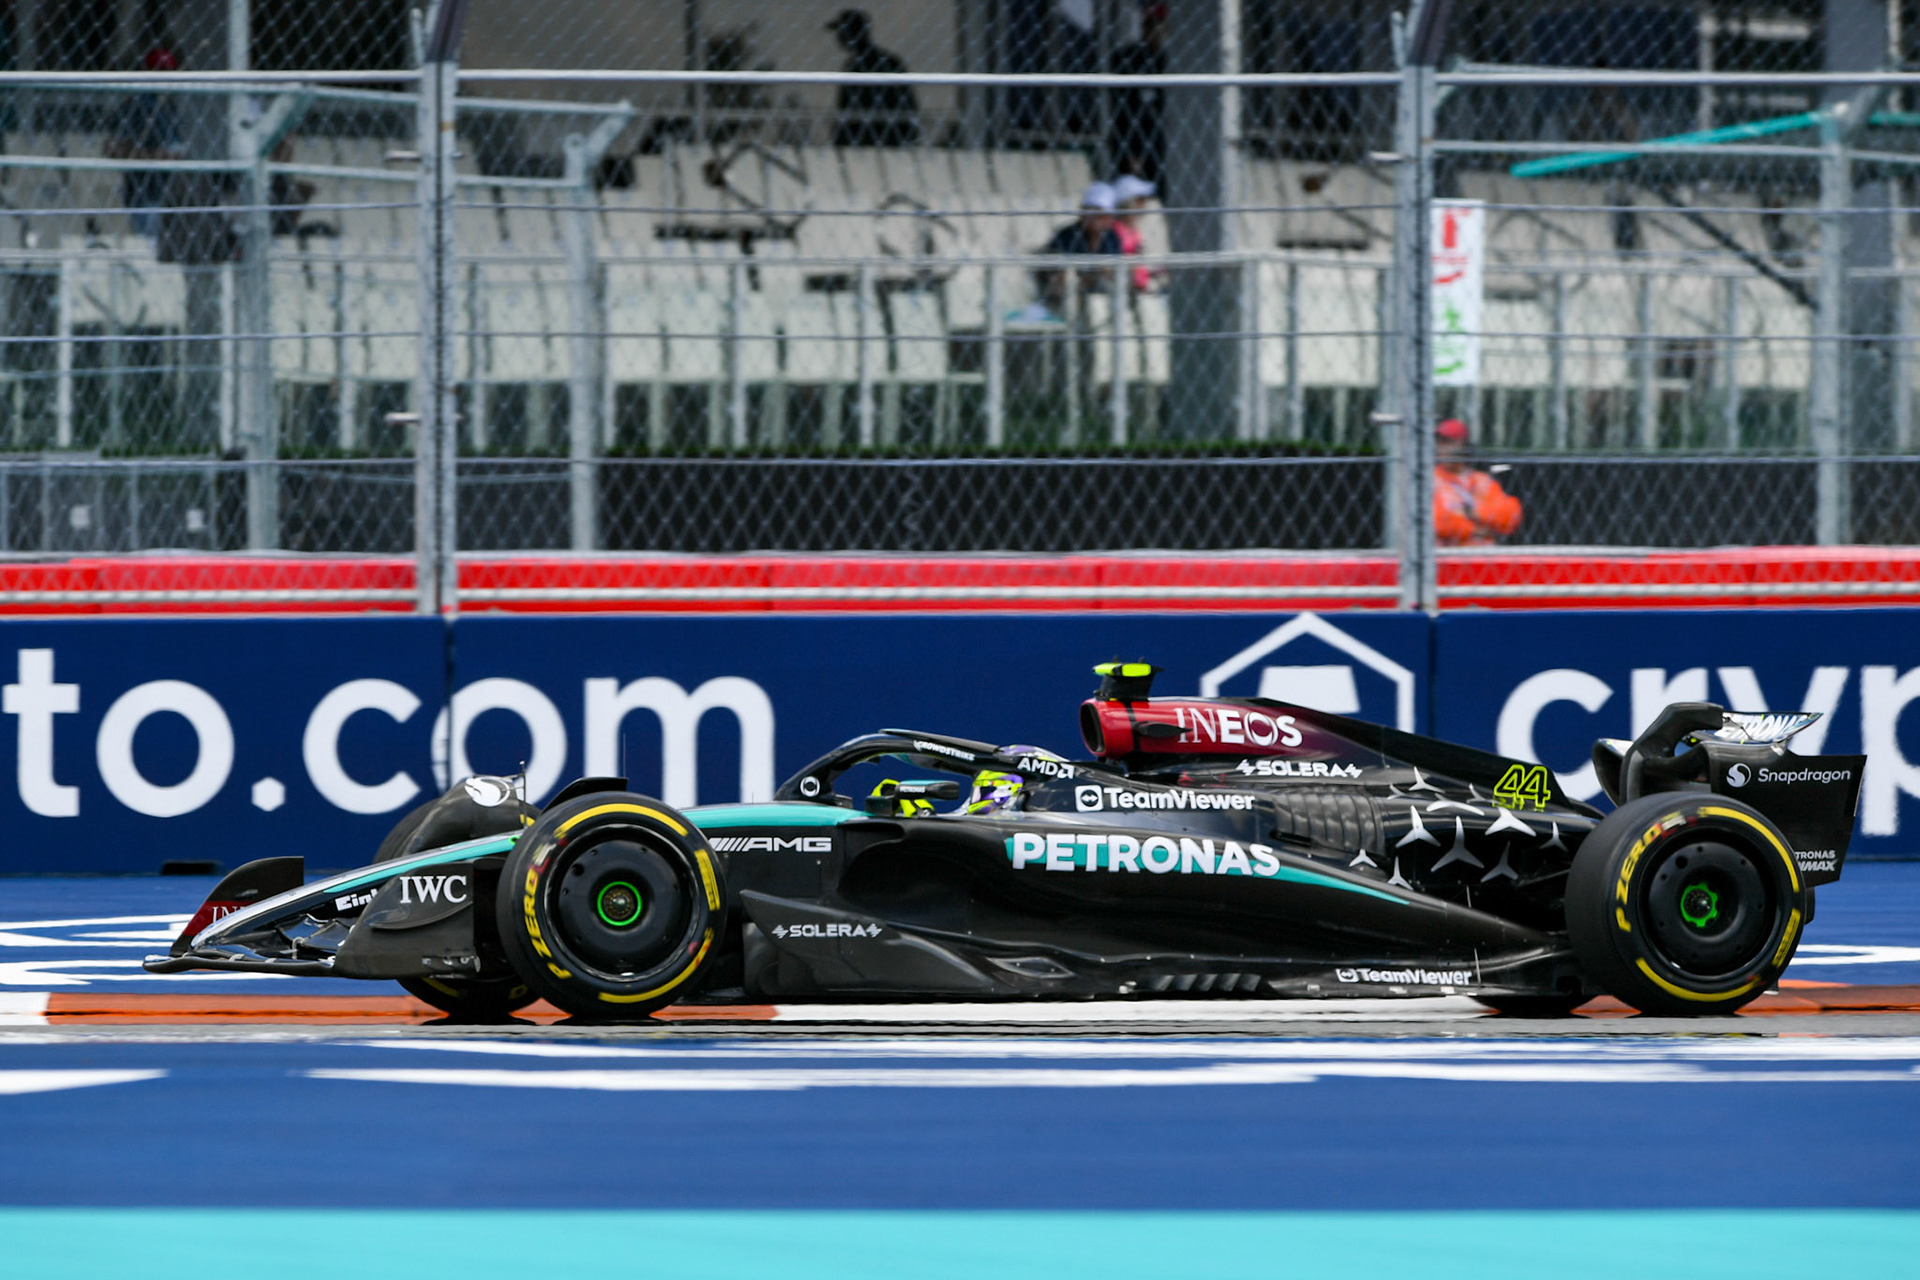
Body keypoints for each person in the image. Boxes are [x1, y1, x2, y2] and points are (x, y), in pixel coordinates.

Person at [104, 45, 185, 237]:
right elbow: (113, 146)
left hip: (166, 192)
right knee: (148, 239)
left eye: (168, 73)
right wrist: (155, 155)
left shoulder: (169, 106)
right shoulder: (138, 105)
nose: (166, 80)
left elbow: (179, 148)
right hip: (144, 192)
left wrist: (173, 155)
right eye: (160, 73)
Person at [827, 9, 920, 147]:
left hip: (872, 139)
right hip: (889, 138)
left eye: (842, 31)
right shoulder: (888, 61)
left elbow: (847, 107)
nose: (838, 37)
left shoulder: (858, 65)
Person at [1034, 182, 1123, 317]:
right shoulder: (1066, 236)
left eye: (1101, 214)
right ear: (1082, 212)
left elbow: (1111, 272)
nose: (1095, 219)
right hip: (1069, 297)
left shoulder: (1112, 238)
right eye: (1091, 212)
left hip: (1099, 294)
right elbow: (1056, 275)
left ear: (1110, 217)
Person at [1433, 418, 1523, 546]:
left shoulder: (1482, 480)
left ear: (1464, 446)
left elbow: (1510, 517)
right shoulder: (1431, 480)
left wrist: (1472, 512)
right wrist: (1477, 530)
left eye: (1448, 442)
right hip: (1447, 560)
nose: (1441, 448)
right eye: (1439, 442)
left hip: (1483, 560)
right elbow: (1437, 522)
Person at [1109, 3, 1167, 187]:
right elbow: (1123, 110)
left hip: (1159, 139)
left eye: (1161, 25)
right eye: (1151, 25)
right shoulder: (1129, 59)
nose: (1157, 31)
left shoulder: (1165, 59)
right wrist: (1131, 151)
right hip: (1135, 141)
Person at [1111, 173, 1158, 293]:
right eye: (1140, 200)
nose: (1144, 205)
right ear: (1127, 204)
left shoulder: (1134, 230)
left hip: (1141, 289)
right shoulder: (1114, 231)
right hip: (1124, 291)